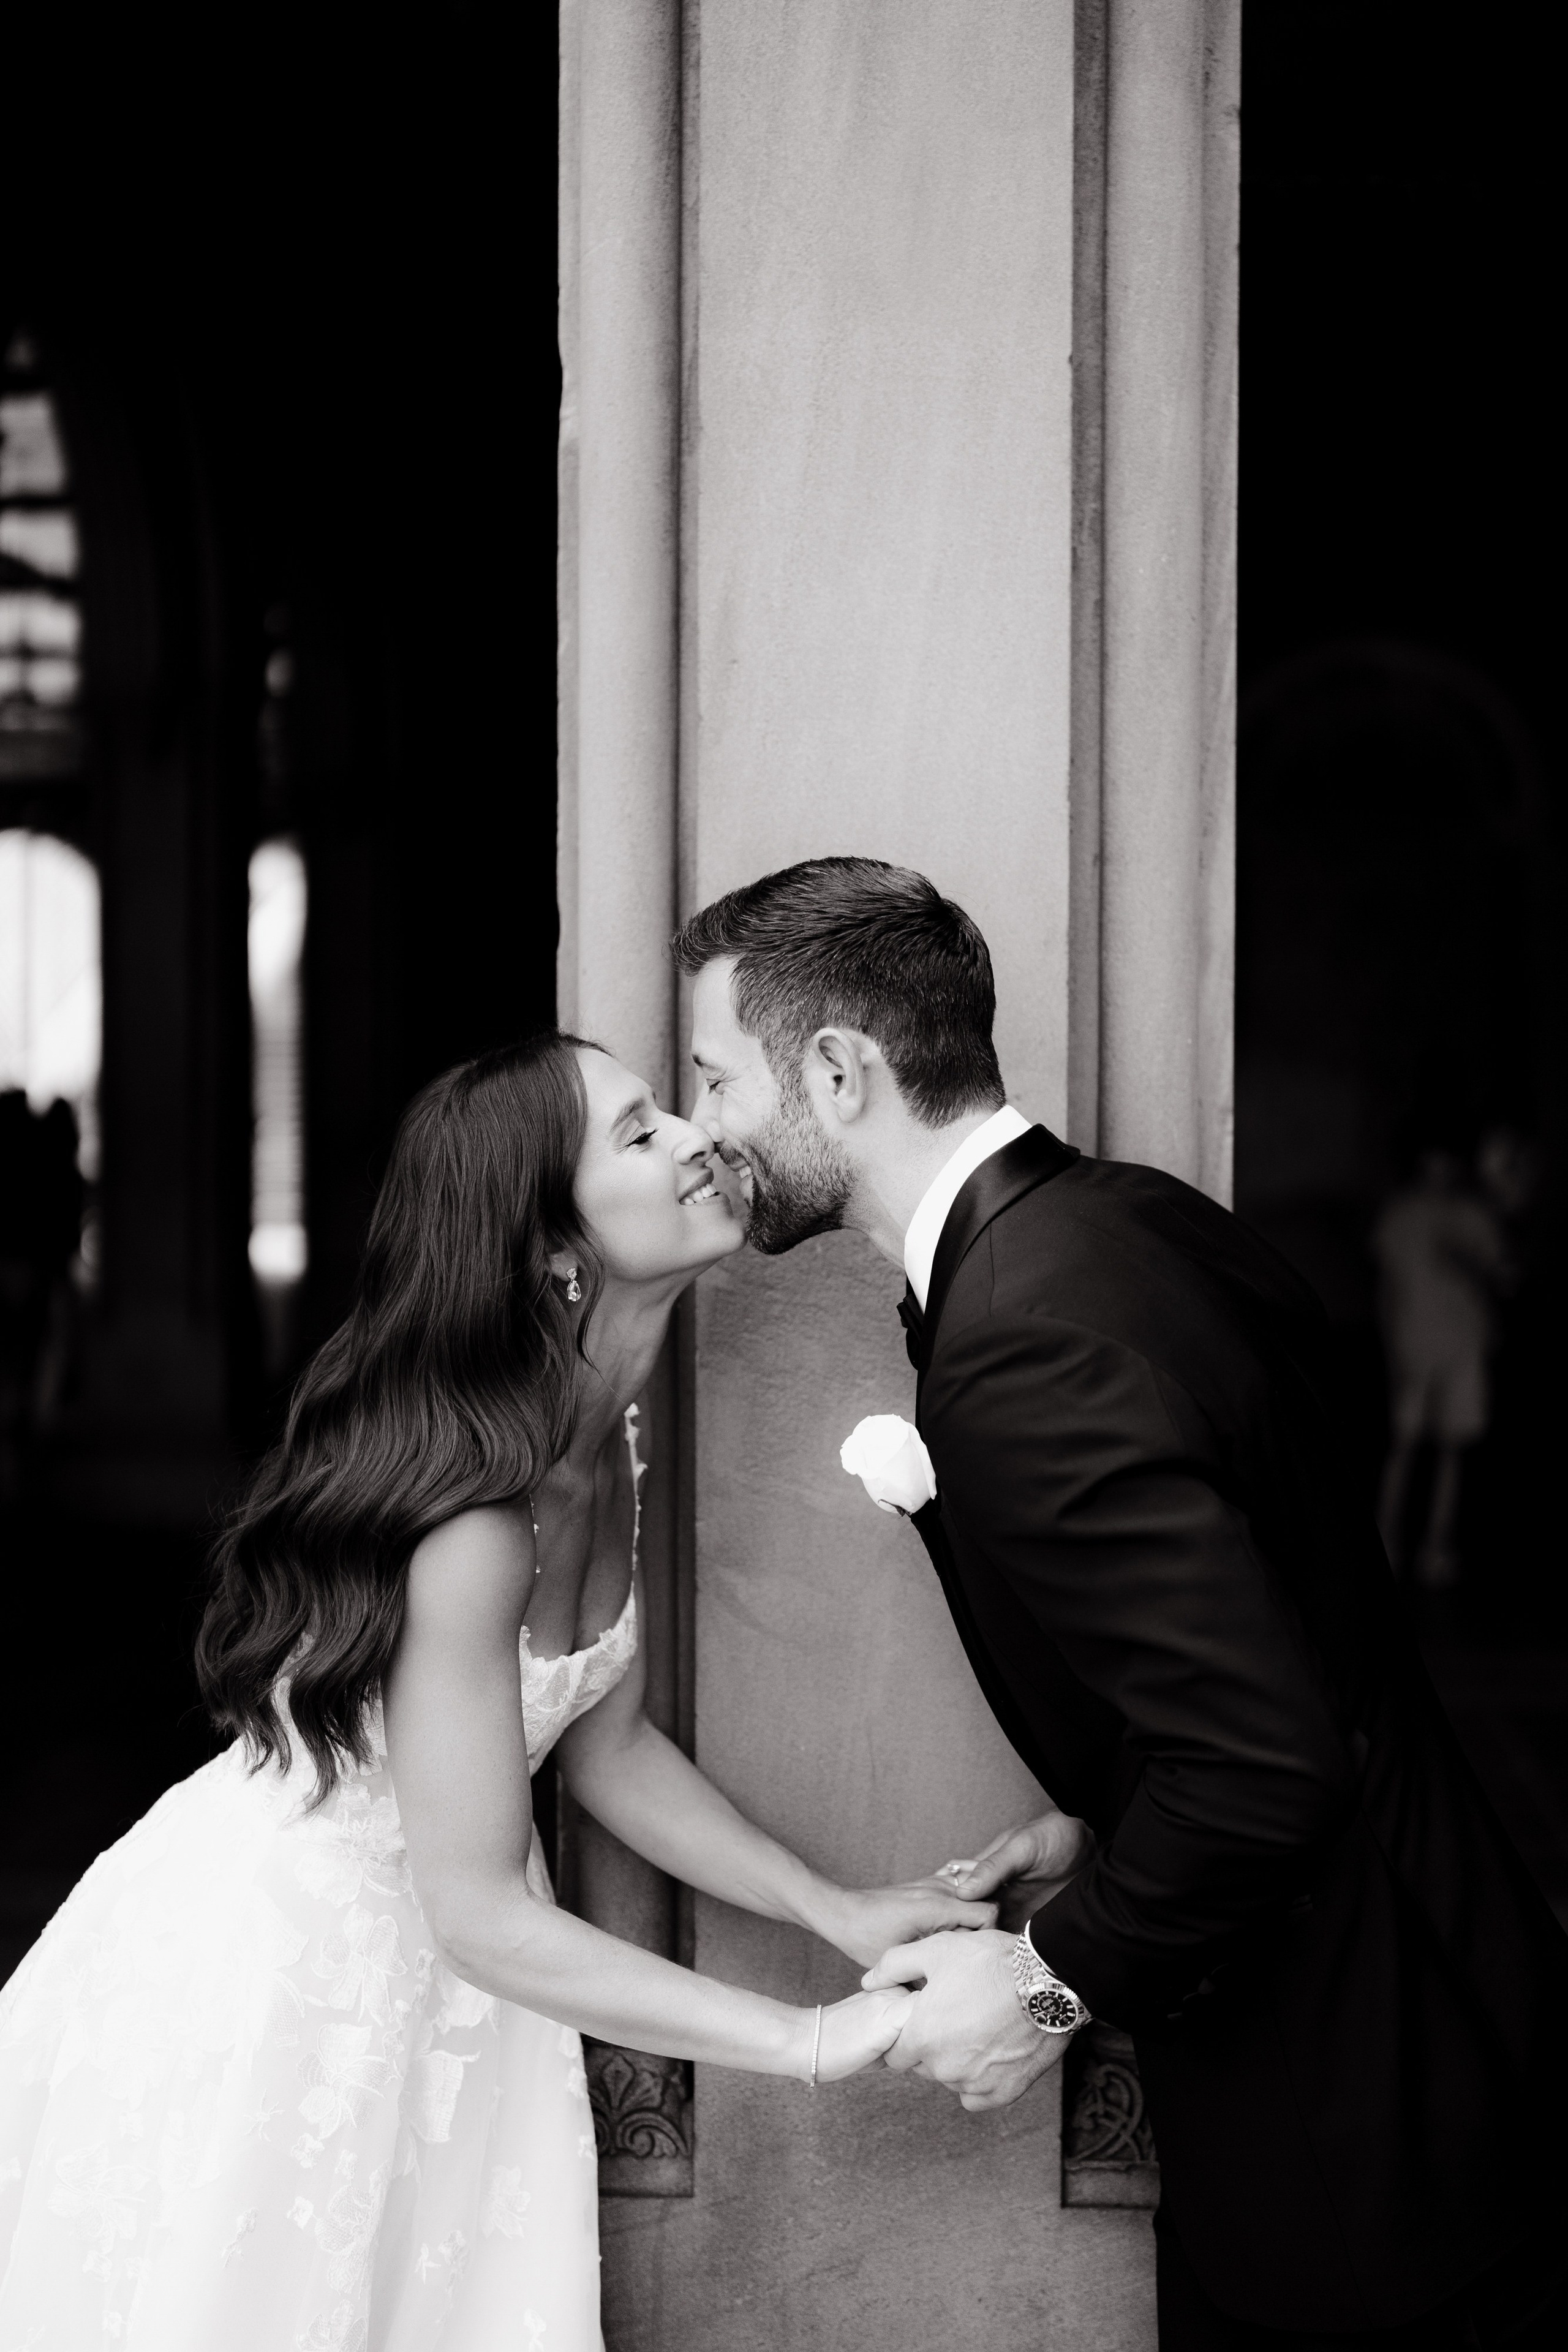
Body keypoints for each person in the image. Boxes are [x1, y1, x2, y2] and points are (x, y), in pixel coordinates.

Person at [677, 856, 1568, 2351]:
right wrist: (1107, 1813)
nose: (702, 1124)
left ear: (835, 1072)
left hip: (1352, 2117)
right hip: (1441, 2008)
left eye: (714, 1077)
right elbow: (1278, 1634)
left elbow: (1262, 1767)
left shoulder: (1018, 1344)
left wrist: (1037, 1990)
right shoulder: (1139, 1223)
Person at [0, 1033, 990, 2350]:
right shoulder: (473, 1518)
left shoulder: (604, 1437)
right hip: (283, 1981)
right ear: (554, 1252)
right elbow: (474, 1913)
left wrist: (837, 1908)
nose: (696, 1134)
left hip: (466, 1996)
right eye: (638, 1132)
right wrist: (809, 2041)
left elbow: (604, 1746)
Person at [1372, 1146, 1509, 1588]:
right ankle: (1387, 1542)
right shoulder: (1402, 1214)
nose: (1440, 1165)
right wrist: (1390, 1344)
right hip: (1415, 1344)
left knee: (1453, 1446)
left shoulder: (1472, 1215)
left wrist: (1472, 1265)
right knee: (1404, 1444)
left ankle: (1437, 1546)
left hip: (1462, 1344)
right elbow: (1386, 1285)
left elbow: (1503, 1275)